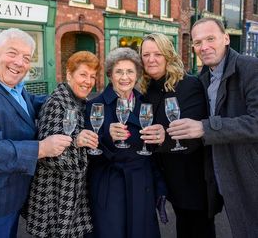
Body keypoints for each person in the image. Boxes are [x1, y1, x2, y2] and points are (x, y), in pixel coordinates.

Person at [0, 28, 72, 238]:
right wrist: (42, 148)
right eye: (12, 53)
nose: (19, 62)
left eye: (26, 57)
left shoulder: (10, 84)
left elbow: (28, 105)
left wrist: (72, 98)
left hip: (8, 203)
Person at [167, 17, 258, 238]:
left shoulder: (250, 68)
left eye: (210, 39)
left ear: (226, 38)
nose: (204, 47)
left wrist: (205, 128)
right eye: (198, 42)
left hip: (250, 174)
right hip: (220, 176)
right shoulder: (202, 79)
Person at [140, 33, 221, 238]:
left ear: (168, 55)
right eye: (146, 54)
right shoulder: (145, 89)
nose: (151, 59)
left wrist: (164, 136)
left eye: (157, 53)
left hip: (193, 180)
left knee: (198, 231)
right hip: (169, 178)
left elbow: (196, 135)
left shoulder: (188, 85)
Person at [85, 47, 166, 238]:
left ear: (137, 75)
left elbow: (153, 151)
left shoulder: (145, 103)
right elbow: (88, 152)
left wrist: (160, 185)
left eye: (130, 71)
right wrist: (107, 137)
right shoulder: (95, 105)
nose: (124, 77)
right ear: (110, 75)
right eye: (119, 71)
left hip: (142, 184)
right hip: (110, 185)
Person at [23, 51, 101, 238]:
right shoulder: (57, 103)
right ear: (69, 75)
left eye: (92, 76)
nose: (88, 81)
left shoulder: (82, 102)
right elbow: (48, 157)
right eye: (83, 74)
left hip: (74, 194)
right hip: (56, 197)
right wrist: (77, 141)